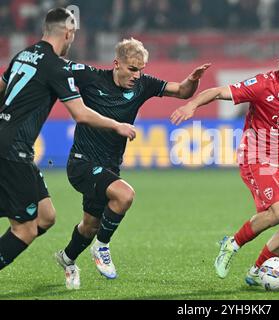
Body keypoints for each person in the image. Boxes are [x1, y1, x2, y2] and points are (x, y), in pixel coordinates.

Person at [170, 38, 279, 286]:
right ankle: (232, 244)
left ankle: (256, 272)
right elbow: (218, 92)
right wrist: (192, 104)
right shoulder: (261, 85)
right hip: (255, 157)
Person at [54, 37, 210, 289]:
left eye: (141, 70)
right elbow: (57, 66)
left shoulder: (143, 85)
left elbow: (181, 91)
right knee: (124, 195)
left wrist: (193, 80)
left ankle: (67, 258)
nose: (137, 75)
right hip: (81, 163)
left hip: (109, 167)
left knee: (90, 226)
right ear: (117, 64)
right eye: (132, 69)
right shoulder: (92, 77)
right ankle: (102, 248)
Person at [0, 8, 136, 274]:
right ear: (68, 33)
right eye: (73, 35)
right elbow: (81, 114)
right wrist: (117, 125)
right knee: (25, 229)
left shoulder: (23, 55)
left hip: (9, 145)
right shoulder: (56, 66)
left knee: (46, 216)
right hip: (13, 150)